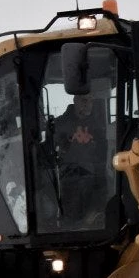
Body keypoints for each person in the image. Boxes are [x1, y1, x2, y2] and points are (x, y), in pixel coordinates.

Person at [52, 93, 108, 229]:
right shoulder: (60, 124)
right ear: (75, 100)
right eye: (83, 100)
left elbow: (103, 152)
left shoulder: (97, 125)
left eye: (90, 100)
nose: (87, 104)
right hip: (67, 174)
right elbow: (53, 150)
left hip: (92, 173)